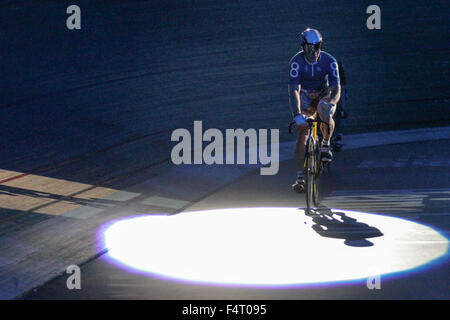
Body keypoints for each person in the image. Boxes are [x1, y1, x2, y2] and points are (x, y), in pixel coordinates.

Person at [288, 28, 341, 192]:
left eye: (316, 48)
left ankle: (325, 144)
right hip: (305, 97)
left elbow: (336, 88)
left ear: (320, 46)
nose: (313, 53)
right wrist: (297, 114)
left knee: (323, 108)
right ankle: (300, 175)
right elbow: (294, 91)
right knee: (303, 131)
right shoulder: (296, 62)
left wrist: (331, 103)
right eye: (309, 49)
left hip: (324, 94)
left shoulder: (330, 61)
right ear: (303, 47)